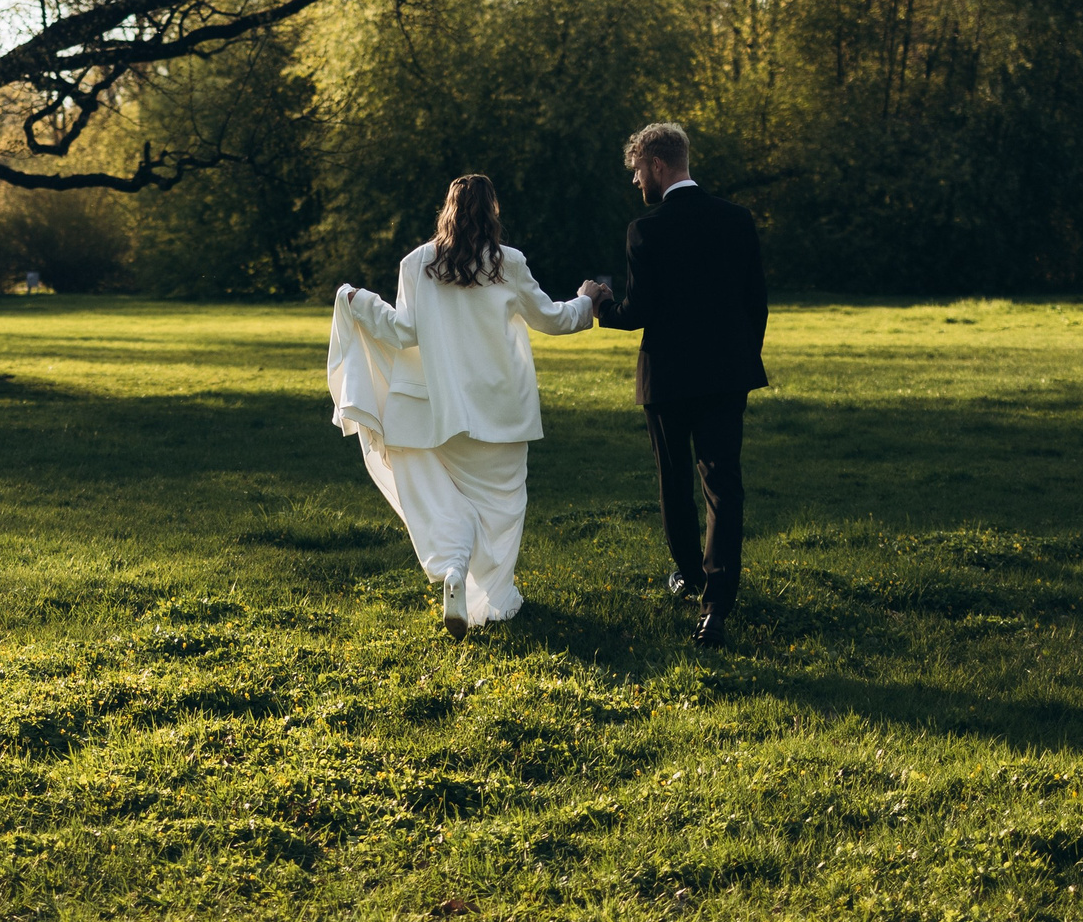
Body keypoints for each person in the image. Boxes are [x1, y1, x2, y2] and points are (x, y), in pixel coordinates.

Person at [327, 174, 601, 637]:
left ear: (447, 210)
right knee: (503, 506)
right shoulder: (507, 263)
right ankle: (495, 600)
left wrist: (360, 301)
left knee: (438, 495)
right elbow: (552, 320)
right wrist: (587, 301)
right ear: (492, 211)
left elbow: (402, 332)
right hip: (502, 411)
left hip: (436, 413)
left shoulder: (416, 263)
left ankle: (453, 566)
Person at [582, 123, 768, 649]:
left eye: (638, 171)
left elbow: (636, 313)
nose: (637, 181)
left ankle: (690, 574)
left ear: (658, 166)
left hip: (667, 379)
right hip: (728, 375)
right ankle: (717, 605)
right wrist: (739, 360)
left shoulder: (646, 229)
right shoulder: (737, 220)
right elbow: (757, 303)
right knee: (723, 485)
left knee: (674, 480)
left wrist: (598, 300)